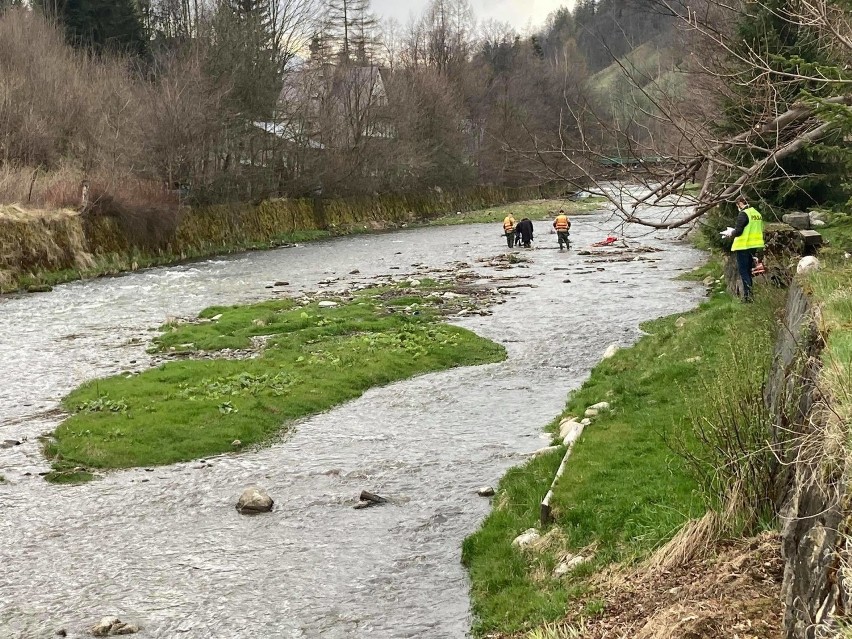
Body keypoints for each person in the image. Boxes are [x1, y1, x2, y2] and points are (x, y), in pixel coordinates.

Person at [723, 196, 765, 302]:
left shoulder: (743, 214)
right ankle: (749, 295)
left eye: (737, 204)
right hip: (754, 245)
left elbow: (739, 231)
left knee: (744, 272)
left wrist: (730, 233)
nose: (737, 207)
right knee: (749, 271)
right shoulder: (756, 214)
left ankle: (747, 297)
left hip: (744, 246)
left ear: (740, 203)